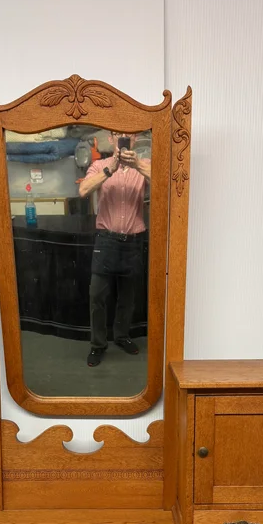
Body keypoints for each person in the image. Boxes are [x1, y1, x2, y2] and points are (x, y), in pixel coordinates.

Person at [78, 131, 151, 367]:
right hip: (106, 239)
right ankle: (98, 345)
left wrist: (137, 164)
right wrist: (112, 167)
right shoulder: (99, 165)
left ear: (135, 139)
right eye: (119, 134)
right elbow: (83, 190)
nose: (124, 138)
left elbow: (169, 183)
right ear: (111, 139)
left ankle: (122, 336)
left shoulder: (146, 165)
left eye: (128, 134)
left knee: (128, 297)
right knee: (97, 295)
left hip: (133, 240)